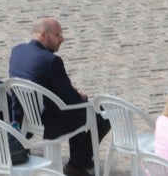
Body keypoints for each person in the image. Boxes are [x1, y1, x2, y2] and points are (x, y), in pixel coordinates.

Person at [8, 18, 110, 176]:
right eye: (57, 35)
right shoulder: (51, 61)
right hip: (50, 119)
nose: (62, 39)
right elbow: (71, 100)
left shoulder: (17, 51)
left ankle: (80, 159)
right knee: (101, 115)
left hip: (29, 114)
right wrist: (80, 96)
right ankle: (77, 163)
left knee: (80, 111)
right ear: (43, 35)